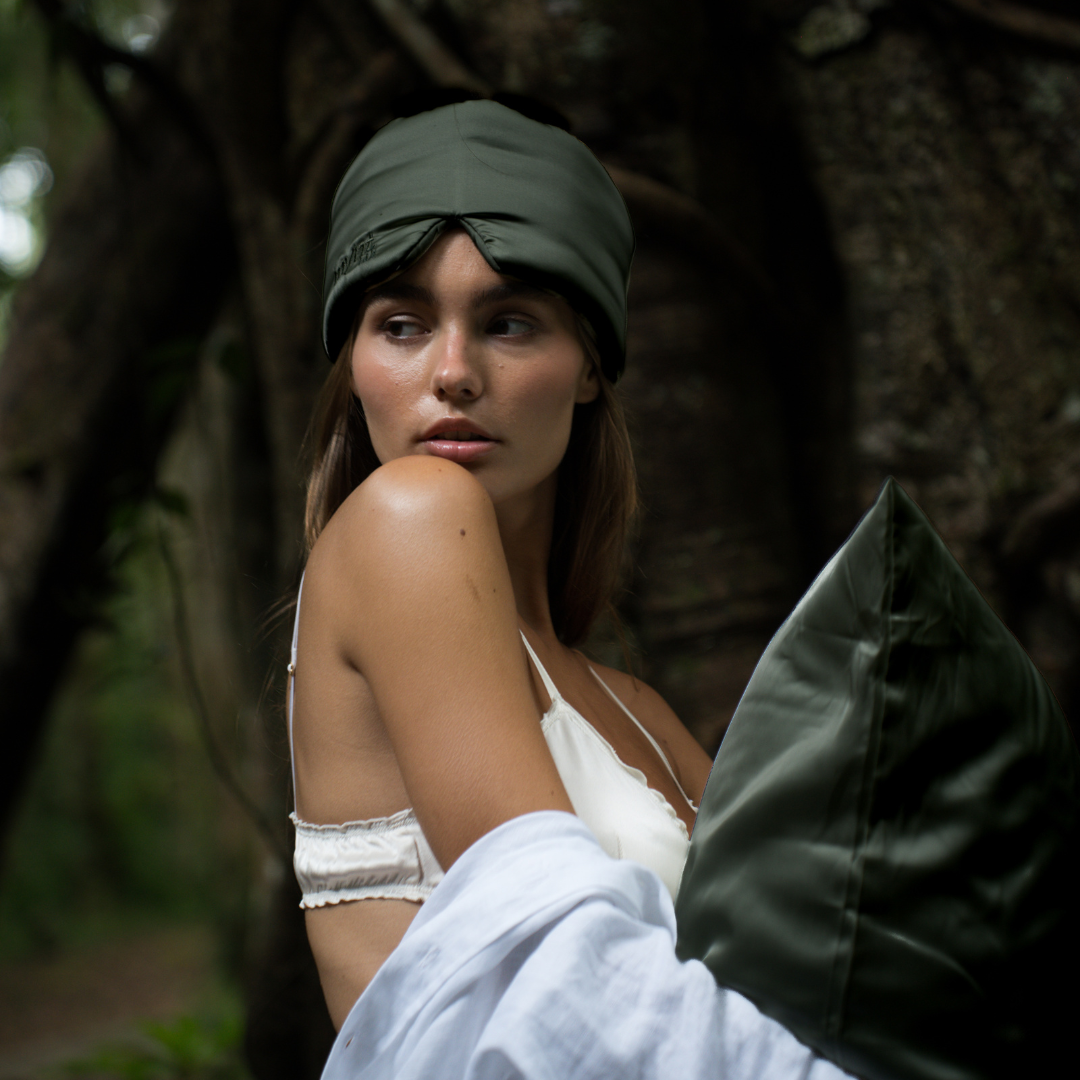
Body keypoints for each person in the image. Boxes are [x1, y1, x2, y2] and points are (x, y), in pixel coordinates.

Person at [287, 97, 852, 1080]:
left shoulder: (640, 715)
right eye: (402, 324)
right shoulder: (408, 516)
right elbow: (563, 984)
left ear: (589, 365)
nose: (452, 372)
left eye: (508, 322)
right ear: (356, 363)